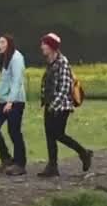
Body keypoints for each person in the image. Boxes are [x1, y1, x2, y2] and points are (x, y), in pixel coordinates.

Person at [38, 33, 92, 178]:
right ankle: (52, 166)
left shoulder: (62, 62)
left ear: (52, 46)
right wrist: (45, 101)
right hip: (50, 105)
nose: (42, 46)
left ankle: (84, 152)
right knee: (50, 135)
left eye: (44, 44)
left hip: (61, 106)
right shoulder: (50, 62)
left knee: (57, 134)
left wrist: (54, 105)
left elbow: (65, 87)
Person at [0, 35, 28, 176]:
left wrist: (11, 101)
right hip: (3, 100)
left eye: (2, 42)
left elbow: (17, 80)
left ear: (9, 43)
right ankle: (6, 158)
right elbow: (4, 80)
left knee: (14, 131)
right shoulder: (4, 58)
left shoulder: (16, 58)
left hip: (15, 101)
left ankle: (20, 163)